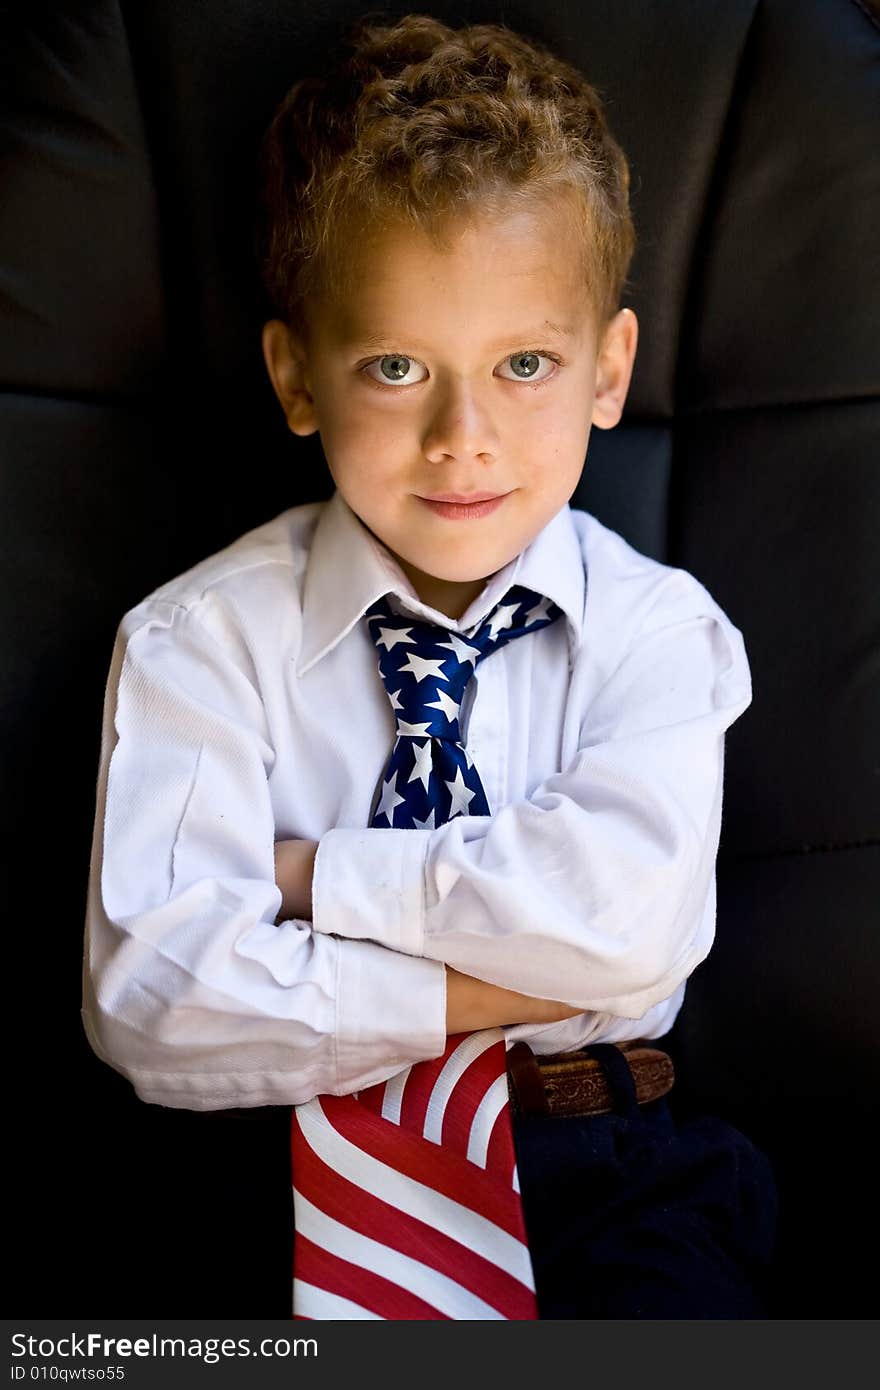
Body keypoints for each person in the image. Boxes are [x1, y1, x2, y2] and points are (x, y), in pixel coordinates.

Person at [82, 13, 776, 1318]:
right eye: (397, 367)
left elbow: (626, 919)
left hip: (611, 1161)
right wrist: (510, 978)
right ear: (297, 375)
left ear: (608, 369)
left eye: (525, 364)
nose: (465, 436)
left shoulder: (658, 633)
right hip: (274, 1169)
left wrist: (308, 881)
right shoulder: (199, 641)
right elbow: (157, 999)